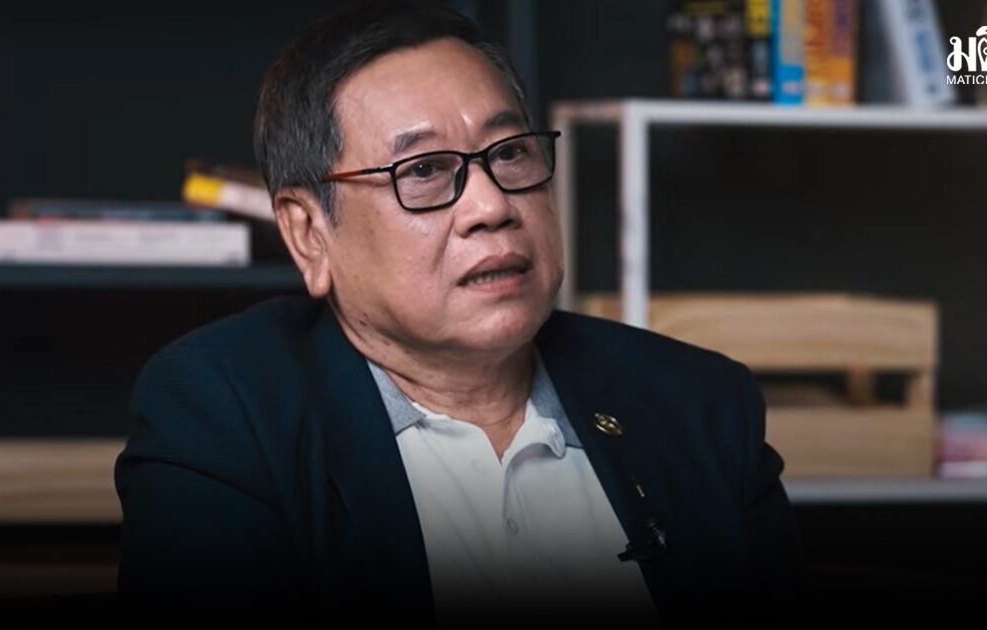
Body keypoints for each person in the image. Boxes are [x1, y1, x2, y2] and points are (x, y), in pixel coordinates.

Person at [113, 1, 808, 625]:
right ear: (308, 234)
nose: (491, 205)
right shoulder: (224, 416)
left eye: (510, 153)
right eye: (422, 170)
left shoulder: (700, 405)